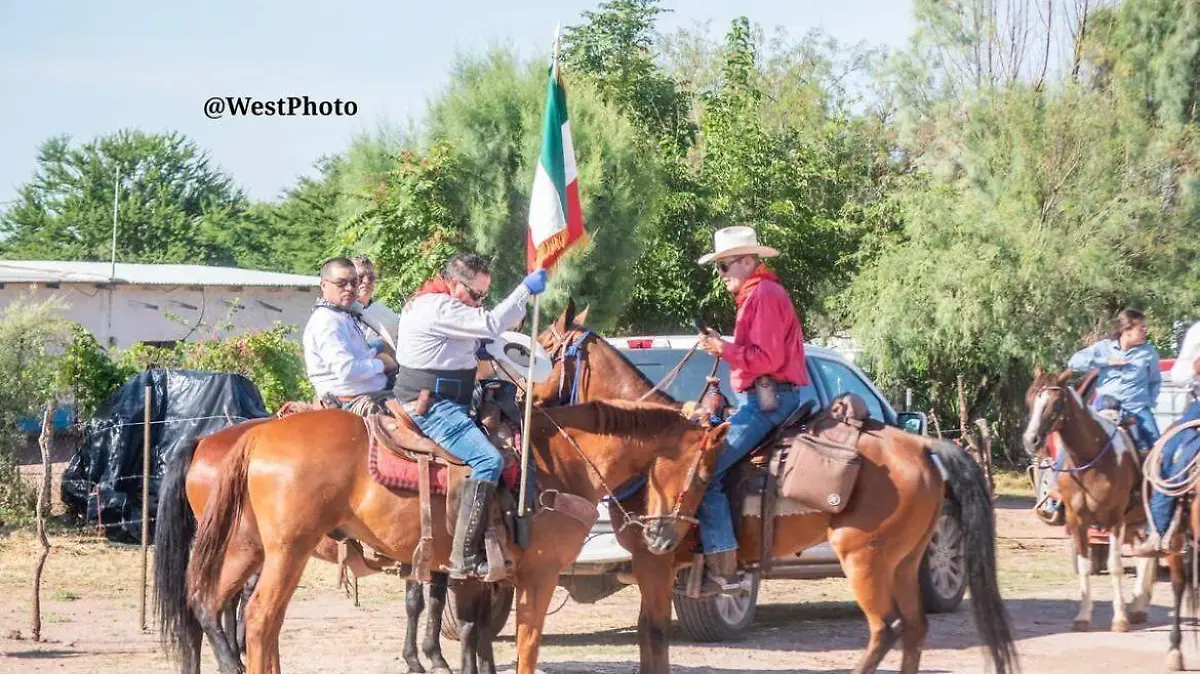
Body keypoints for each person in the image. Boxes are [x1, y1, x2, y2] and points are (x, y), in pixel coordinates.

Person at [394, 252, 547, 579]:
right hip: (432, 405)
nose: (479, 302)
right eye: (475, 294)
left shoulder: (447, 305)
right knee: (488, 461)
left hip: (451, 398)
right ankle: (463, 555)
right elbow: (489, 323)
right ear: (452, 284)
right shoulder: (438, 306)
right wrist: (524, 290)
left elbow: (485, 331)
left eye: (484, 296)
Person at [693, 225, 811, 597]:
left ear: (748, 261)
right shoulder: (756, 295)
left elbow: (768, 359)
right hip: (762, 398)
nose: (721, 273)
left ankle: (724, 569)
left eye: (725, 265)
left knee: (706, 471)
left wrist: (722, 350)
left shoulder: (762, 295)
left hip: (766, 401)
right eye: (719, 267)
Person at [1134, 318, 1200, 557]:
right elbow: (1179, 374)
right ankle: (1159, 531)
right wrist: (1194, 368)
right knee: (1169, 455)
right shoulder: (1197, 331)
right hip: (1199, 405)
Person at [302, 257, 398, 411]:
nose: (349, 288)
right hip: (353, 402)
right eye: (341, 283)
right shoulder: (327, 321)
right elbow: (347, 370)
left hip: (374, 392)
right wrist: (382, 364)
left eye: (354, 283)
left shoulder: (343, 314)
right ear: (324, 285)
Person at [1065, 308, 1162, 453]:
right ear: (1127, 329)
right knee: (1074, 442)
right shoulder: (1104, 348)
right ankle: (1055, 472)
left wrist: (1148, 402)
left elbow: (1155, 381)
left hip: (1137, 409)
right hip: (1105, 407)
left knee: (1158, 449)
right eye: (1141, 326)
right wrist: (1106, 361)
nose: (1145, 330)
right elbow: (1074, 363)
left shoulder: (1148, 352)